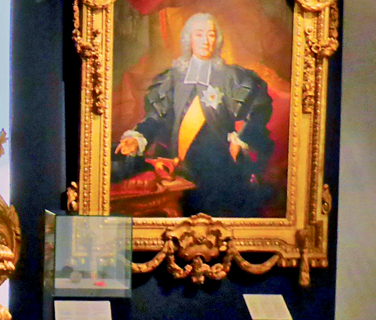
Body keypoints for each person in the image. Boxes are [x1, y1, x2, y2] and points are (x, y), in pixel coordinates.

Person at [113, 12, 274, 217]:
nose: (205, 41)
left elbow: (259, 108)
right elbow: (155, 117)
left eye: (211, 34)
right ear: (188, 39)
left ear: (217, 40)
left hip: (220, 169)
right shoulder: (172, 78)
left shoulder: (232, 76)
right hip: (179, 170)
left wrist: (242, 140)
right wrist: (138, 138)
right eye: (199, 34)